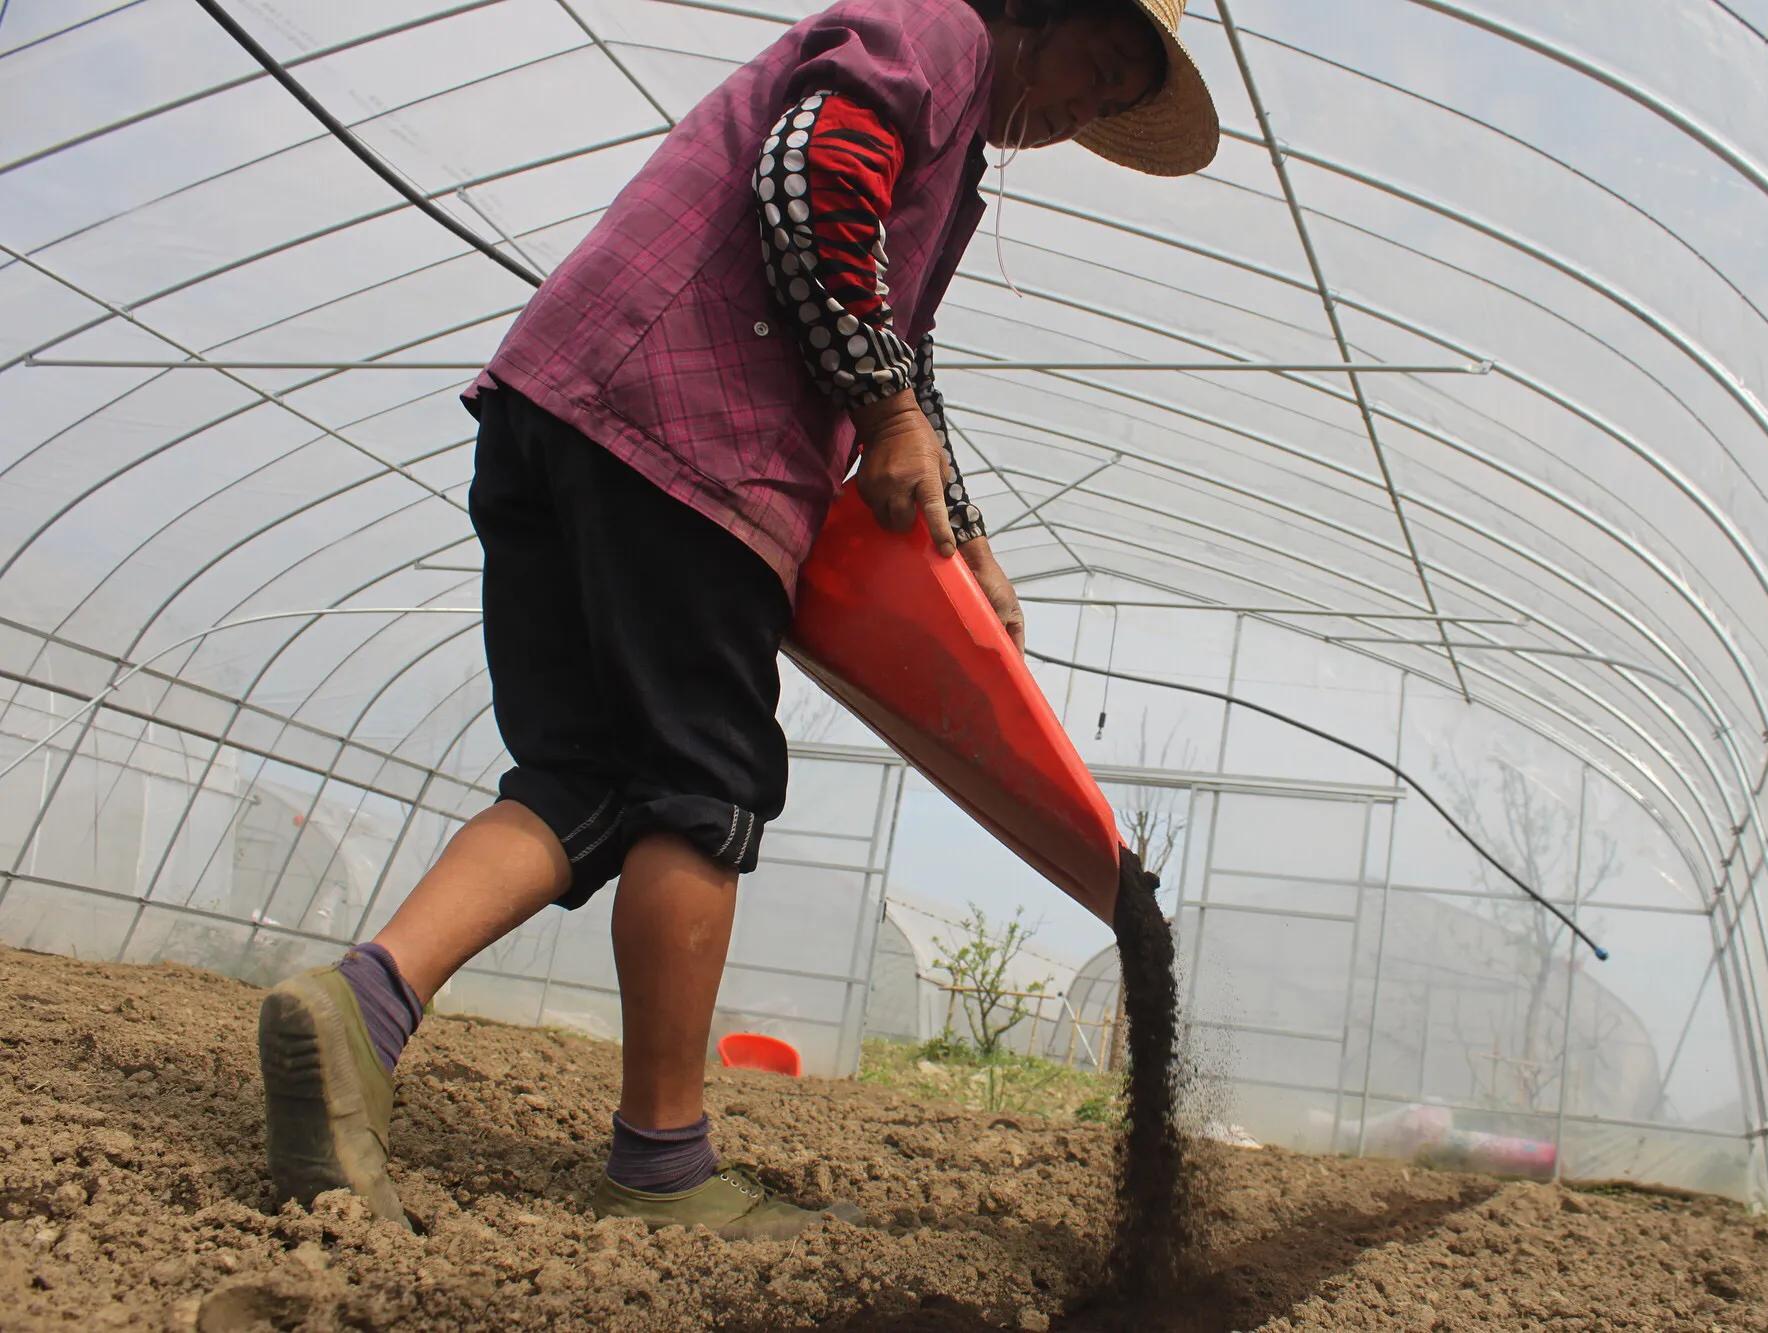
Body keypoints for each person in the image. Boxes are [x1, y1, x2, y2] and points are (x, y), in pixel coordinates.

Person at [257, 0, 1218, 1240]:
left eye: (1113, 103)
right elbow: (809, 175)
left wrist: (962, 528)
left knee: (582, 779)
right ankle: (662, 1164)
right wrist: (876, 415)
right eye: (1099, 67)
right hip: (691, 444)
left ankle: (358, 1006)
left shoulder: (953, 132)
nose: (1086, 110)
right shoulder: (939, 31)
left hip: (557, 412)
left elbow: (897, 340)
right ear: (1044, 12)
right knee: (698, 791)